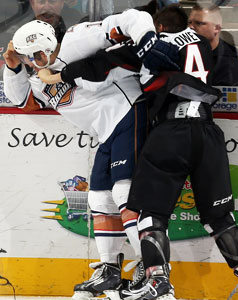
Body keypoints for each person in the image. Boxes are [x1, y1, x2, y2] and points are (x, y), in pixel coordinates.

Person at [3, 9, 176, 300]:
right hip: (106, 133)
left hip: (130, 112)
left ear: (47, 46)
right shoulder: (36, 78)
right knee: (98, 198)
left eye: (34, 56)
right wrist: (11, 67)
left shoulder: (76, 40)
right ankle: (110, 270)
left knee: (126, 194)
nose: (31, 63)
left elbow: (132, 17)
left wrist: (149, 44)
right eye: (26, 58)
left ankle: (155, 275)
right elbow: (21, 100)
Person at [106, 5, 238, 300]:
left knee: (151, 216)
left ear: (157, 27)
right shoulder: (200, 41)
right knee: (221, 218)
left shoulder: (156, 45)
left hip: (171, 132)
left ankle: (157, 282)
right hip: (208, 133)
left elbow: (131, 75)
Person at [188, 4, 238, 86]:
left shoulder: (229, 65)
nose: (191, 27)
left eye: (199, 23)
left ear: (217, 28)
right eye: (189, 22)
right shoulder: (183, 51)